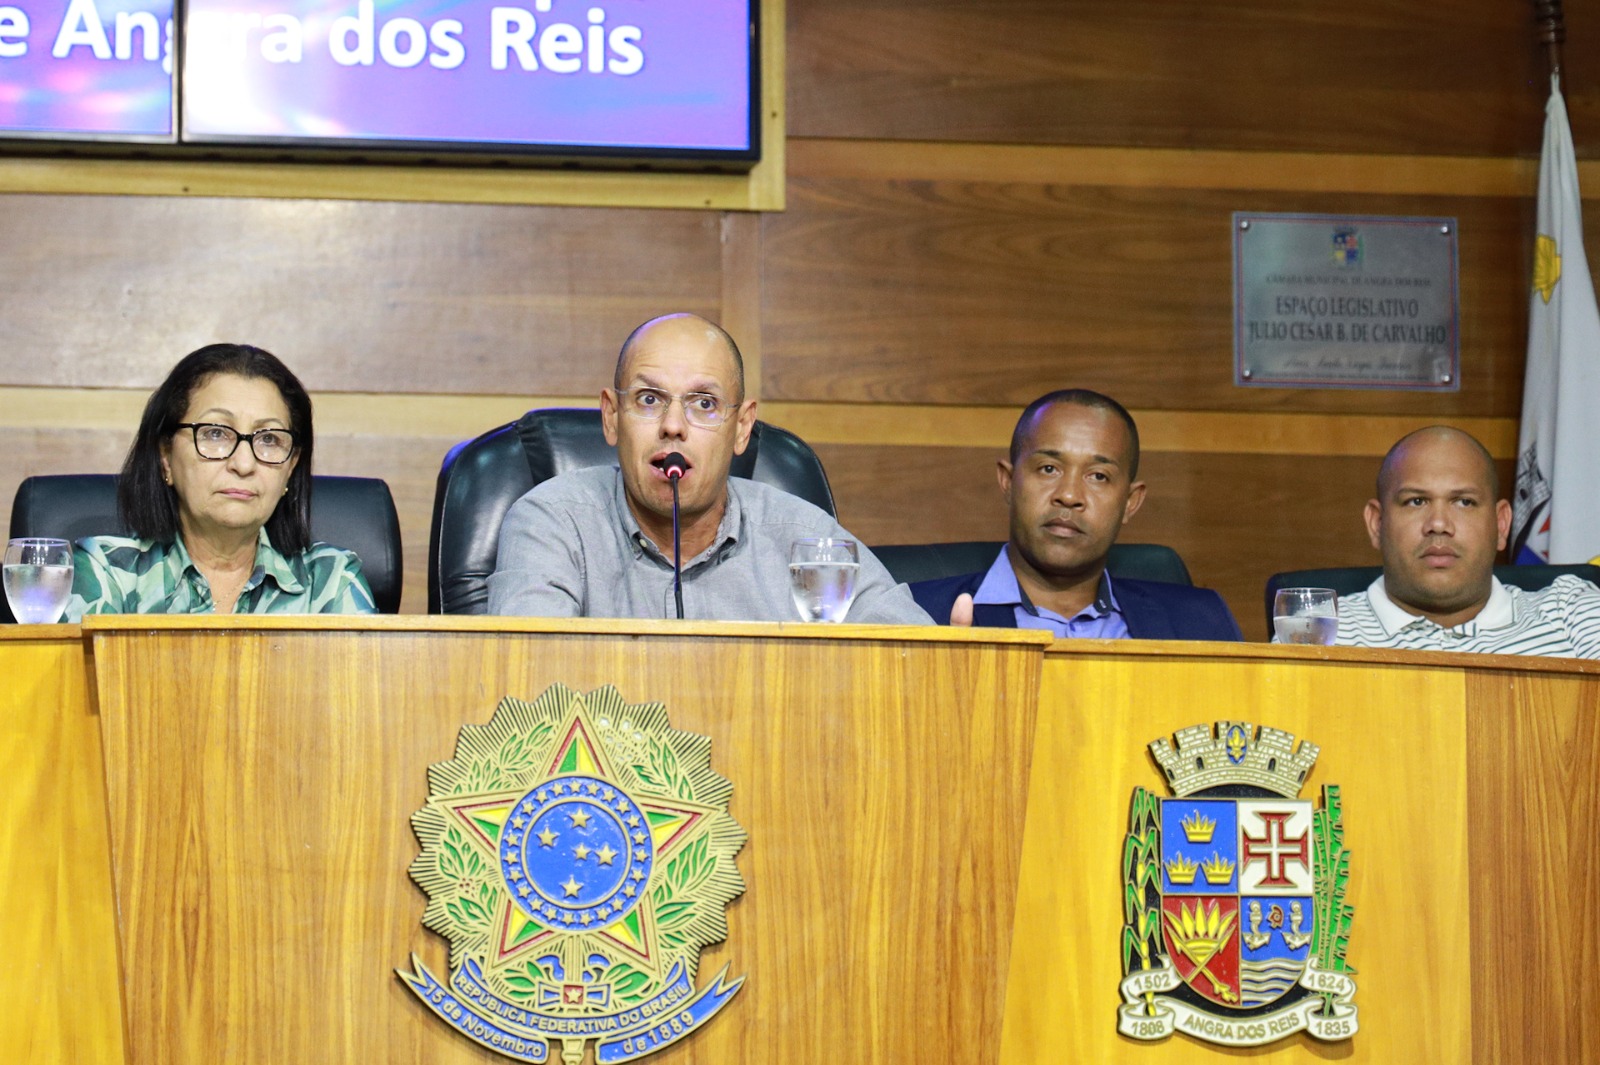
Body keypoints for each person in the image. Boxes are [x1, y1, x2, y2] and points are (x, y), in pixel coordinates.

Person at [487, 313, 929, 623]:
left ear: (741, 428)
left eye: (704, 404)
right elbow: (534, 681)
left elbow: (906, 662)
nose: (673, 426)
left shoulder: (806, 538)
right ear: (611, 416)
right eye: (648, 400)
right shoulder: (551, 524)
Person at [65, 344, 376, 619]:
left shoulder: (330, 581)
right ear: (165, 456)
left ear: (291, 467)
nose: (243, 464)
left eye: (269, 439)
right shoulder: (110, 573)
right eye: (215, 433)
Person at [910, 389, 1241, 640]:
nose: (1068, 496)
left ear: (1131, 502)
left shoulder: (1200, 622)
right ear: (1008, 482)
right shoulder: (916, 615)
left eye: (1098, 476)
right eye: (1049, 468)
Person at [1332, 426, 1600, 656]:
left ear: (1501, 524)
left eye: (1464, 502)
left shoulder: (1572, 614)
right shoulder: (1315, 632)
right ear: (1377, 523)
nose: (1438, 524)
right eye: (1416, 501)